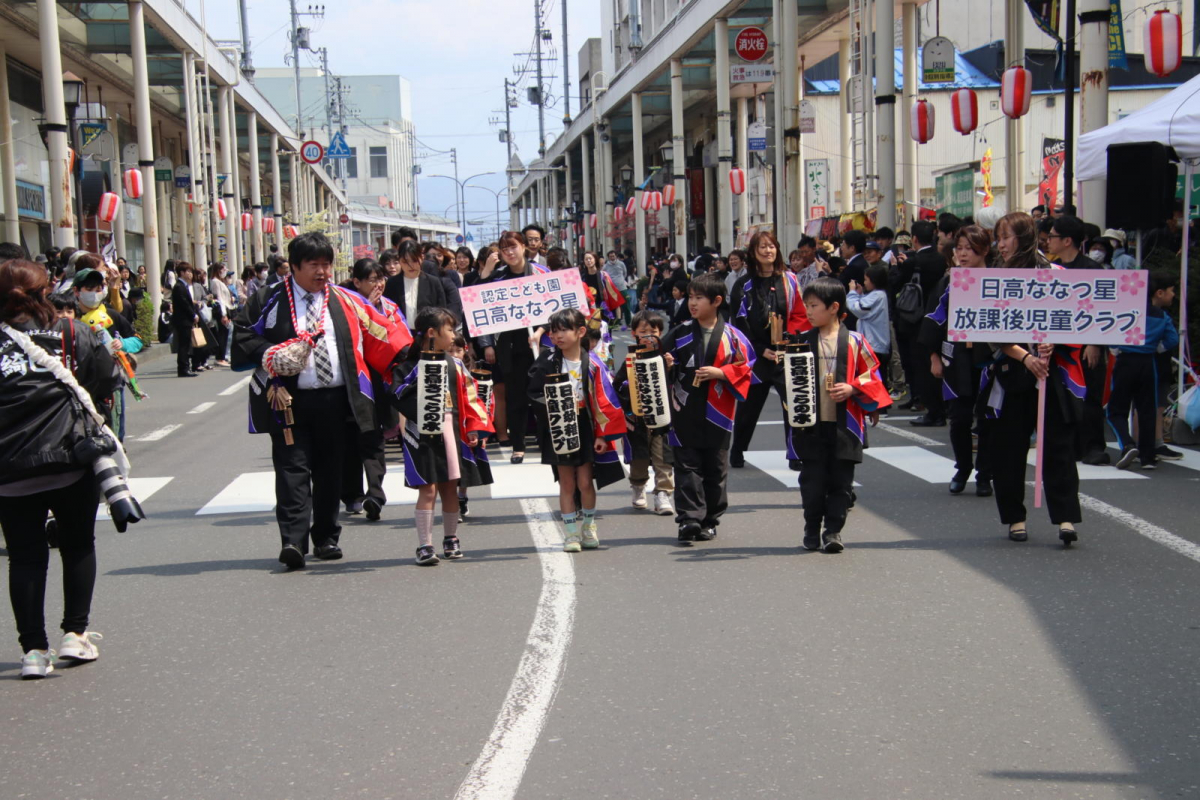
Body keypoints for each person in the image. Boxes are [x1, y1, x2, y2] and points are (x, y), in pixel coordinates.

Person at [232, 232, 413, 570]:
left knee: (331, 471)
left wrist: (413, 353)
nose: (322, 272)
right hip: (288, 400)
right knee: (292, 470)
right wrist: (270, 353)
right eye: (314, 265)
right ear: (295, 267)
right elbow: (242, 336)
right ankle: (293, 541)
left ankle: (327, 537)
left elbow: (382, 333)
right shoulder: (268, 299)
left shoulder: (347, 299)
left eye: (327, 265)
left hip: (338, 399)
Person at [0, 259, 116, 678]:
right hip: (69, 458)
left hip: (9, 469)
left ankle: (32, 651)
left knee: (25, 558)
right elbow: (105, 378)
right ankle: (74, 634)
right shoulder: (70, 331)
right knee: (77, 544)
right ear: (44, 290)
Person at [987, 212, 1084, 546]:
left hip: (1051, 371)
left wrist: (1054, 340)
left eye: (1006, 237)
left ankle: (1066, 517)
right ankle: (1015, 518)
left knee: (1058, 447)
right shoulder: (995, 277)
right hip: (1012, 370)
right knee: (1009, 447)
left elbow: (1078, 318)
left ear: (1025, 237)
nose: (1000, 244)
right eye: (998, 237)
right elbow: (988, 330)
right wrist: (1024, 355)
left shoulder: (1056, 274)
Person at [787, 277, 891, 552]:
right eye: (806, 305)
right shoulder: (799, 342)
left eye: (813, 305)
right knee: (812, 482)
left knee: (841, 483)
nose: (808, 311)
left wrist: (853, 387)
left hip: (846, 424)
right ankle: (811, 526)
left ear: (833, 307)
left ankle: (832, 531)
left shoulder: (856, 341)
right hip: (810, 424)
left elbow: (873, 375)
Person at [658, 272, 755, 544]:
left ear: (717, 301)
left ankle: (710, 519)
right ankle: (689, 519)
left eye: (699, 297)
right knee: (686, 464)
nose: (692, 302)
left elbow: (747, 367)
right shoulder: (679, 333)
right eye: (690, 297)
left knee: (715, 467)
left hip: (719, 411)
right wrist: (666, 364)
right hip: (683, 406)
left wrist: (721, 372)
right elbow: (660, 361)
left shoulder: (733, 336)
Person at [393, 307, 492, 564]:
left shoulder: (456, 365)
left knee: (451, 486)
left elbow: (472, 398)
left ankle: (451, 538)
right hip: (421, 433)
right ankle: (425, 545)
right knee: (428, 489)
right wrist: (421, 375)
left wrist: (473, 428)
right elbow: (397, 394)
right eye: (449, 329)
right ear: (431, 333)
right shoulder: (408, 367)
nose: (453, 335)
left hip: (451, 430)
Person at [528, 308, 627, 552]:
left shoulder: (593, 363)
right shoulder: (547, 360)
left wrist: (603, 435)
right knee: (566, 482)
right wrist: (554, 403)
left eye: (564, 330)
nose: (558, 335)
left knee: (585, 481)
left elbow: (606, 400)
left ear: (580, 331)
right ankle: (571, 533)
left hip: (585, 424)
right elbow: (533, 391)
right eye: (554, 331)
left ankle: (589, 526)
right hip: (559, 424)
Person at [919, 225, 995, 496]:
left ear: (984, 250)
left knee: (988, 419)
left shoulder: (999, 279)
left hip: (992, 358)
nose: (962, 255)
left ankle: (985, 473)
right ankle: (963, 466)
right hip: (957, 357)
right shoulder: (948, 281)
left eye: (969, 249)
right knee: (960, 418)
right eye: (959, 248)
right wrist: (933, 356)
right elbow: (932, 318)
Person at [728, 230, 811, 468]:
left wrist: (790, 344)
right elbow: (739, 323)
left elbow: (799, 314)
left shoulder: (789, 279)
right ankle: (739, 449)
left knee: (794, 403)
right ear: (753, 253)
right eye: (762, 247)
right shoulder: (743, 285)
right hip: (757, 356)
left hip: (786, 353)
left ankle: (795, 453)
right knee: (748, 408)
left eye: (771, 246)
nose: (768, 251)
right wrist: (760, 348)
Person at [475, 230, 549, 463]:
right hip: (509, 346)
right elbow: (476, 303)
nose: (509, 252)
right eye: (504, 249)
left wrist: (539, 331)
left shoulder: (541, 273)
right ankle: (518, 445)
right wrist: (485, 272)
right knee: (515, 398)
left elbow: (555, 308)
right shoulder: (497, 277)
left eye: (513, 246)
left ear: (524, 247)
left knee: (542, 397)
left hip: (539, 344)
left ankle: (547, 442)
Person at [338, 258, 400, 520]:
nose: (379, 284)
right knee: (352, 438)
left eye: (381, 278)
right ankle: (352, 495)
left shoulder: (390, 307)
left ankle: (375, 494)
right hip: (351, 379)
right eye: (373, 279)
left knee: (375, 438)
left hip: (378, 379)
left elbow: (400, 337)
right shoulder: (342, 305)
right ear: (357, 282)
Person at [1109, 271, 1180, 471]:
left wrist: (1114, 348)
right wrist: (1157, 348)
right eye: (1172, 291)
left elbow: (1110, 329)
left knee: (1116, 410)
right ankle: (1148, 457)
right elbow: (1173, 339)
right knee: (1147, 410)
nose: (1173, 294)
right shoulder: (1162, 316)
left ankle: (1128, 444)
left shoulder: (1127, 310)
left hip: (1125, 361)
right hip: (1148, 363)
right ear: (1157, 293)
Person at [616, 310, 675, 516]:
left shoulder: (666, 357)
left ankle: (663, 493)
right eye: (644, 331)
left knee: (663, 456)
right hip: (638, 419)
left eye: (654, 331)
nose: (649, 336)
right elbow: (618, 386)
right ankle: (638, 486)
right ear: (634, 334)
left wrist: (669, 368)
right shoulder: (630, 359)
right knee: (639, 457)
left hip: (662, 417)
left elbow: (676, 385)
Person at [894, 220, 947, 425]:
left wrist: (896, 268)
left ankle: (932, 410)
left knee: (920, 364)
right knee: (933, 364)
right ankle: (938, 407)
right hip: (939, 315)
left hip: (914, 317)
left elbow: (896, 284)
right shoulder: (941, 259)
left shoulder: (911, 261)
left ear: (914, 239)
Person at [847, 263, 892, 394]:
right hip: (876, 343)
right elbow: (865, 308)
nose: (864, 282)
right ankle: (880, 404)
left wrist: (852, 293)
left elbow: (858, 309)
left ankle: (880, 404)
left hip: (874, 344)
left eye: (866, 279)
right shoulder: (878, 295)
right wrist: (860, 295)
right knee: (877, 376)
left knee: (875, 377)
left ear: (874, 280)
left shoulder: (878, 295)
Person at [383, 239, 447, 330]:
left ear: (422, 258)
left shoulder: (433, 282)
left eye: (414, 260)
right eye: (405, 262)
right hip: (401, 335)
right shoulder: (391, 284)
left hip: (427, 336)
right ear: (400, 261)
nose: (410, 266)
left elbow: (442, 312)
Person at [171, 262, 199, 377]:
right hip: (183, 320)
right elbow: (185, 304)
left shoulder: (183, 286)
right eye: (188, 271)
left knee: (186, 344)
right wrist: (193, 315)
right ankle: (183, 369)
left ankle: (185, 367)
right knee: (184, 345)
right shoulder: (179, 287)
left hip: (184, 320)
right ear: (181, 273)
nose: (190, 274)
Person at [603, 250, 632, 328]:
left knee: (626, 305)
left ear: (616, 256)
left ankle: (628, 322)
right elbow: (603, 276)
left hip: (622, 287)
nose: (612, 257)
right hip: (612, 289)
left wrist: (621, 280)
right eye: (610, 256)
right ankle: (616, 322)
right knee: (615, 306)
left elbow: (625, 273)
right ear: (608, 257)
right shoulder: (605, 266)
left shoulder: (621, 264)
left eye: (613, 256)